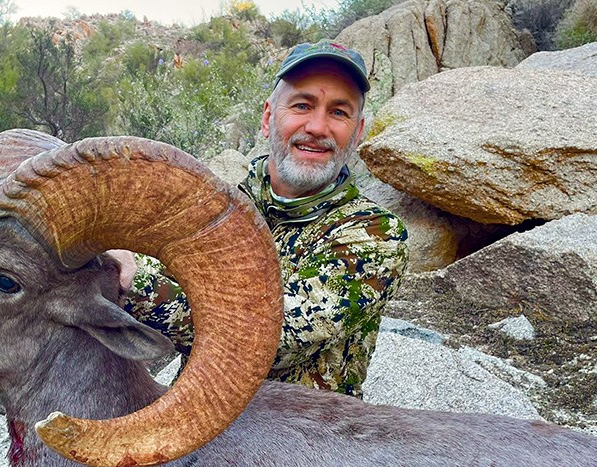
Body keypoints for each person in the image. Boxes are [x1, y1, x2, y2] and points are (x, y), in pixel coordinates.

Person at [116, 40, 409, 398]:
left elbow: (270, 340)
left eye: (338, 112)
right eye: (303, 105)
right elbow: (162, 262)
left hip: (304, 439)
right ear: (269, 116)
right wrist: (114, 259)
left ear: (357, 132)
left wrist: (132, 281)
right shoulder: (216, 208)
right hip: (188, 417)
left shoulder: (375, 235)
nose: (317, 127)